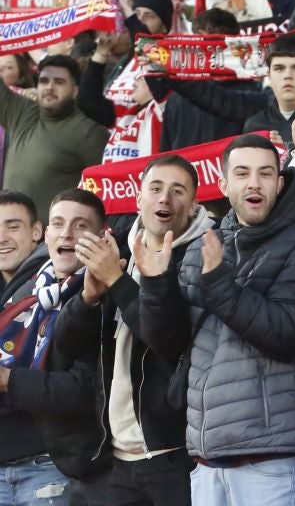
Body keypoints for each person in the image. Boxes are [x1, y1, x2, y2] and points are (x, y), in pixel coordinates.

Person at [138, 134, 295, 506]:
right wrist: (156, 285)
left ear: (279, 183)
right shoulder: (202, 247)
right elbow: (170, 344)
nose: (254, 183)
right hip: (207, 459)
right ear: (224, 185)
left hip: (271, 456)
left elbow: (284, 333)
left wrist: (218, 285)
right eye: (242, 173)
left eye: (265, 174)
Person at [61, 154, 214, 506]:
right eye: (156, 188)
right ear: (137, 198)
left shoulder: (203, 254)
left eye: (178, 191)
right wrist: (87, 298)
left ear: (193, 205)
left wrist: (116, 280)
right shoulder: (118, 252)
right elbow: (66, 345)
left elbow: (167, 339)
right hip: (116, 459)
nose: (165, 199)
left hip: (173, 455)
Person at [0, 189, 108, 506]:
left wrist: (9, 380)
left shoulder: (105, 295)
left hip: (51, 467)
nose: (67, 233)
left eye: (80, 226)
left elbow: (89, 390)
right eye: (59, 223)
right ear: (46, 233)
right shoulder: (23, 291)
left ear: (102, 236)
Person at [0, 56, 109, 217]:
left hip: (53, 238)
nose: (49, 87)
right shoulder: (22, 112)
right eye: (44, 81)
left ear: (75, 91)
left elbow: (107, 190)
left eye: (59, 82)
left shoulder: (90, 134)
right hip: (6, 233)